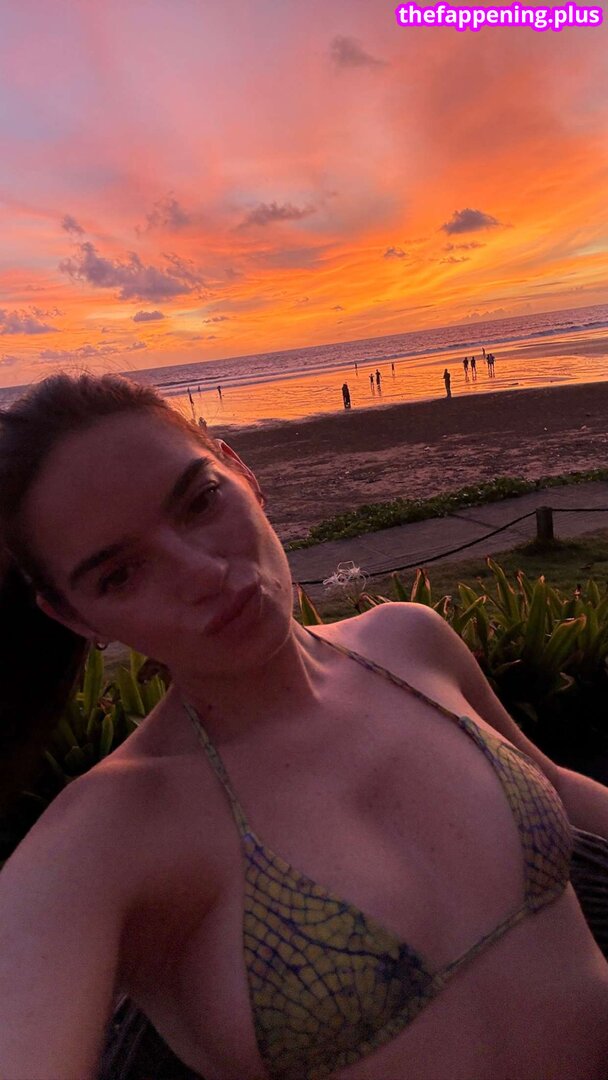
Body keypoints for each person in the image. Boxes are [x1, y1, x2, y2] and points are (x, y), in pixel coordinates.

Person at [1, 372, 608, 1080]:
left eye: (200, 501)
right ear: (74, 617)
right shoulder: (104, 840)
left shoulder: (410, 642)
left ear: (241, 472)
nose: (202, 572)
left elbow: (556, 786)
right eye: (120, 575)